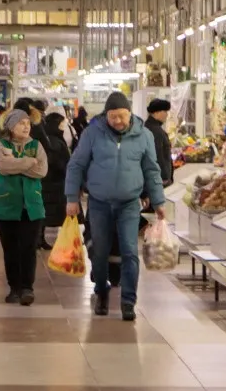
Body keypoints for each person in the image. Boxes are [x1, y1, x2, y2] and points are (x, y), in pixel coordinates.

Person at [65, 92, 166, 321]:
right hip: (99, 203)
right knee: (99, 251)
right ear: (106, 116)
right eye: (112, 117)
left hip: (130, 204)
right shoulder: (93, 133)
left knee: (130, 252)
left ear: (130, 113)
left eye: (121, 116)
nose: (117, 121)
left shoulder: (144, 136)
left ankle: (128, 301)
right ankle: (101, 291)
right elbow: (76, 165)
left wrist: (158, 201)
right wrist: (72, 197)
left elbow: (152, 170)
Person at [0, 110, 47, 305]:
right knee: (11, 249)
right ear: (10, 126)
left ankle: (27, 288)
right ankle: (14, 288)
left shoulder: (36, 145)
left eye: (28, 123)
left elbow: (42, 170)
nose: (26, 126)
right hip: (6, 206)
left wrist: (16, 163)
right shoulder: (1, 145)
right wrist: (29, 162)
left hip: (32, 206)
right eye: (21, 123)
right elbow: (2, 166)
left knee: (28, 248)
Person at [38, 111, 71, 249]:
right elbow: (57, 162)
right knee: (52, 212)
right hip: (54, 182)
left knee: (45, 213)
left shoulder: (47, 139)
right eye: (62, 124)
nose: (63, 127)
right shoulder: (55, 141)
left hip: (47, 182)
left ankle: (40, 239)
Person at [145, 99, 175, 188]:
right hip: (160, 180)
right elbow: (158, 156)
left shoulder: (151, 127)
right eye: (165, 111)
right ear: (156, 112)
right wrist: (165, 177)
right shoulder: (155, 131)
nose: (167, 114)